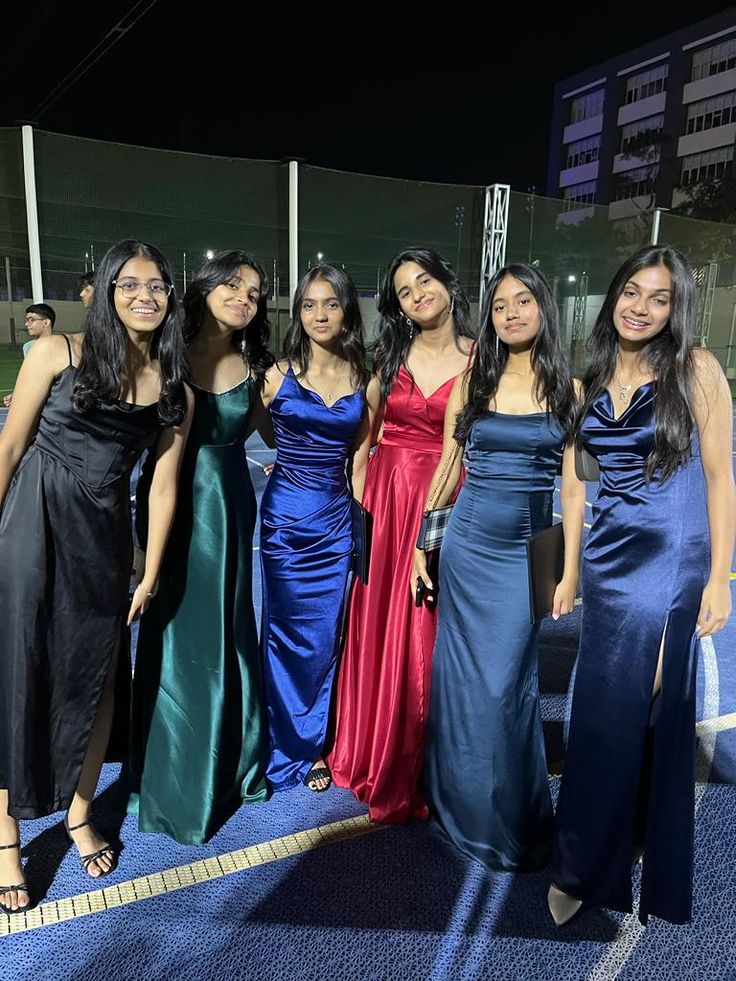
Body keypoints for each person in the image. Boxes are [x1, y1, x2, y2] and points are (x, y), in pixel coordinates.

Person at [0, 240, 192, 912]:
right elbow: (11, 444)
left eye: (159, 284)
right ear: (108, 289)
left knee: (99, 672)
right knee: (19, 668)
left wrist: (149, 572)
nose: (146, 294)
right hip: (33, 521)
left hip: (105, 536)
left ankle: (79, 812)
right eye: (131, 283)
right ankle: (6, 834)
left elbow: (162, 488)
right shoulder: (57, 352)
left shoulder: (175, 387)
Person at [548, 245, 736, 927]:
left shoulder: (697, 369)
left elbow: (720, 476)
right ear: (613, 295)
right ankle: (614, 841)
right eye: (632, 291)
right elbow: (578, 477)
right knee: (606, 705)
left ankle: (585, 863)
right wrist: (571, 567)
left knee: (620, 713)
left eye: (660, 298)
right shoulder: (591, 376)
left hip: (672, 556)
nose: (642, 307)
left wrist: (718, 577)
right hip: (609, 556)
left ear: (676, 306)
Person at [412, 264, 583, 871]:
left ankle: (509, 816)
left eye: (524, 300)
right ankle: (459, 809)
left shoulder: (570, 390)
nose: (511, 312)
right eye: (501, 304)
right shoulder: (473, 381)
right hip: (466, 547)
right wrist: (420, 546)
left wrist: (571, 572)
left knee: (507, 685)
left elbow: (573, 488)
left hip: (525, 557)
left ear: (544, 308)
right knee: (461, 684)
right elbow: (446, 468)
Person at [129, 250, 275, 844]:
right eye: (233, 286)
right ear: (205, 290)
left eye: (256, 292)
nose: (245, 298)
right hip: (172, 502)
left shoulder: (259, 365)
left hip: (230, 506)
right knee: (170, 628)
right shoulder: (167, 355)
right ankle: (169, 771)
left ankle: (224, 762)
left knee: (226, 629)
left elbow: (282, 434)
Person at [329, 247, 475, 823]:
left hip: (445, 498)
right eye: (405, 292)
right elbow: (364, 442)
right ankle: (372, 747)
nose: (418, 296)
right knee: (377, 621)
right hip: (386, 503)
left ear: (446, 281)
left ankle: (424, 765)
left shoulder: (480, 355)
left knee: (429, 629)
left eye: (425, 282)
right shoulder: (389, 356)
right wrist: (364, 509)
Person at [259, 265, 379, 793]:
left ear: (347, 309)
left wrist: (359, 526)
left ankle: (312, 743)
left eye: (330, 303)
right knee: (283, 635)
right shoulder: (275, 375)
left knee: (325, 639)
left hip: (334, 522)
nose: (319, 314)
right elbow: (257, 426)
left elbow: (360, 460)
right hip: (285, 520)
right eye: (308, 304)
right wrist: (285, 460)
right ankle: (282, 743)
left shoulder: (366, 377)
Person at [3, 304, 57, 408]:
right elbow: (30, 377)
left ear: (46, 322)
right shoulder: (27, 347)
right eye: (27, 320)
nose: (27, 324)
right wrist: (16, 395)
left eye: (31, 320)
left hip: (54, 404)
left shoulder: (60, 346)